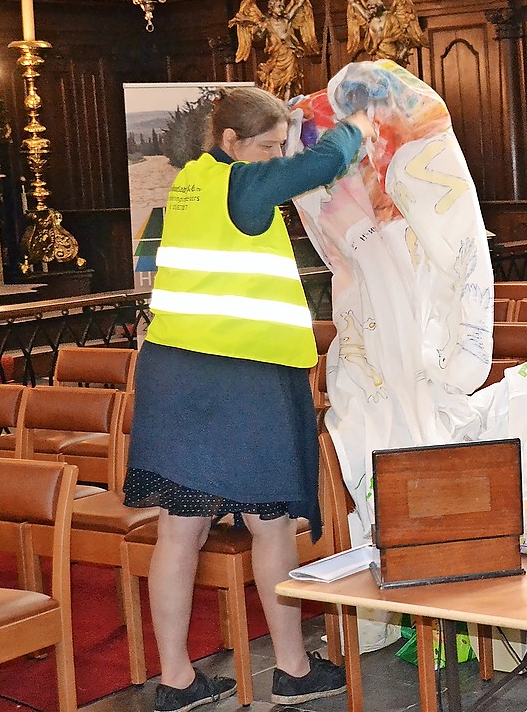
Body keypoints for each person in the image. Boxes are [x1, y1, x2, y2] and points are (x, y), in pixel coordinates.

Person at [124, 87, 375, 712]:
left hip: (175, 374)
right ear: (230, 142)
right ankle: (291, 669)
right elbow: (323, 164)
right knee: (271, 526)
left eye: (280, 146)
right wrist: (355, 124)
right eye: (267, 146)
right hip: (244, 379)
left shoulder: (192, 182)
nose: (276, 158)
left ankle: (177, 681)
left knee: (180, 529)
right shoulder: (245, 184)